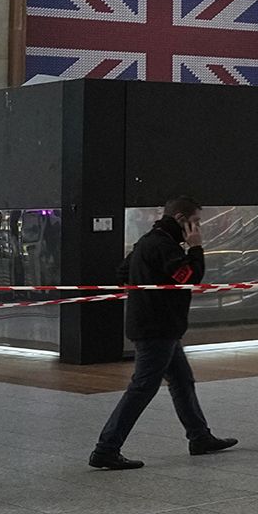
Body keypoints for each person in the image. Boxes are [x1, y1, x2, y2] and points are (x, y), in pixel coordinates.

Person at [89, 196, 236, 469]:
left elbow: (123, 271)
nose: (198, 228)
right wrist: (196, 248)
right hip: (157, 329)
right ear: (181, 219)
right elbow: (189, 278)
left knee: (182, 381)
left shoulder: (149, 240)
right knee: (143, 387)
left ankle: (199, 437)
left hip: (158, 326)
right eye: (195, 222)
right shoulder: (164, 245)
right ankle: (106, 448)